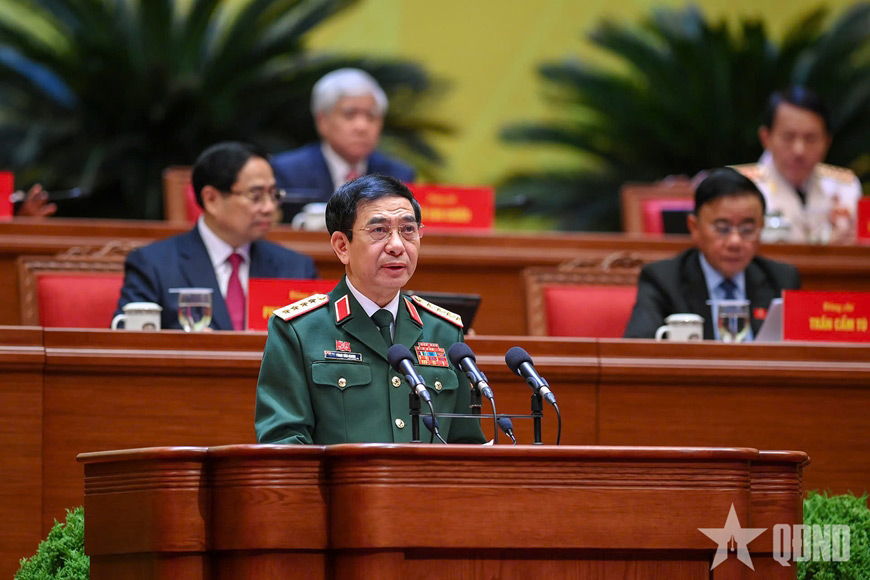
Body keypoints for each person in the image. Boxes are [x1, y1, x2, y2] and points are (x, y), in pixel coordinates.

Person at [255, 174, 485, 445]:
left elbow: (465, 446)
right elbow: (284, 444)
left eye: (408, 230)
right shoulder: (298, 330)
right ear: (342, 246)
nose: (397, 246)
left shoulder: (444, 331)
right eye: (379, 231)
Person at [115, 141, 318, 331]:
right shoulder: (153, 265)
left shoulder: (296, 268)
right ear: (211, 199)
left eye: (273, 195)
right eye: (256, 196)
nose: (269, 208)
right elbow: (127, 343)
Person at [623, 167, 801, 340]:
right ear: (694, 228)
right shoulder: (664, 280)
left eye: (747, 229)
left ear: (761, 227)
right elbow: (637, 346)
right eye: (722, 229)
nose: (735, 242)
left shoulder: (781, 279)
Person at [269, 68, 415, 215]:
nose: (362, 127)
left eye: (371, 116)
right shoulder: (288, 172)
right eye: (349, 115)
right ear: (322, 122)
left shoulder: (398, 176)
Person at [734, 86, 863, 244]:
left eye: (810, 138)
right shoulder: (739, 186)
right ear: (766, 138)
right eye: (788, 137)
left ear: (827, 141)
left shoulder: (846, 186)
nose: (799, 150)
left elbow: (864, 250)